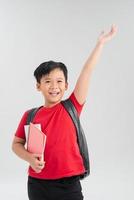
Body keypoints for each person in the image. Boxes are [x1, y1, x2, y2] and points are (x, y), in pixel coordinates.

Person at [12, 25, 117, 200]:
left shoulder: (72, 107)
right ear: (38, 86)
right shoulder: (30, 115)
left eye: (59, 81)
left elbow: (87, 71)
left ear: (66, 85)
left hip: (69, 186)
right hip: (37, 184)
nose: (54, 86)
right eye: (47, 81)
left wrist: (100, 44)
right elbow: (16, 144)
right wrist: (29, 158)